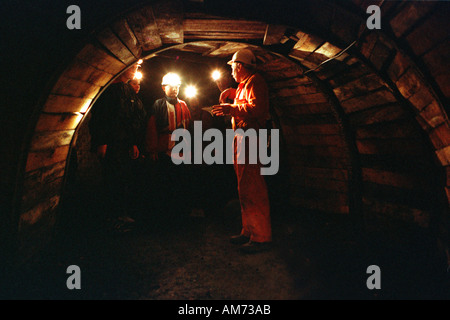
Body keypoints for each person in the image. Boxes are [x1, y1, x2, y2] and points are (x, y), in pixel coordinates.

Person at [212, 48, 272, 253]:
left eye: (232, 68)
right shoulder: (244, 85)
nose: (231, 72)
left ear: (239, 66)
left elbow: (258, 109)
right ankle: (249, 230)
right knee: (244, 187)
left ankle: (261, 237)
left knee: (253, 187)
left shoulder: (256, 81)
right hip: (242, 138)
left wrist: (232, 108)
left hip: (251, 138)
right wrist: (233, 94)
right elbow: (247, 103)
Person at [89, 64, 147, 233]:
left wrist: (133, 143)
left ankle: (120, 215)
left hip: (124, 144)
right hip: (112, 143)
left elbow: (132, 118)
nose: (135, 69)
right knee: (111, 179)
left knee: (122, 179)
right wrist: (101, 142)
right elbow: (101, 116)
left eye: (137, 66)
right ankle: (110, 219)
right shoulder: (109, 89)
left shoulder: (126, 90)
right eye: (133, 66)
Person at [145, 73, 193, 217]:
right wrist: (152, 150)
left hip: (181, 151)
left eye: (177, 86)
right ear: (164, 88)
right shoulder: (159, 104)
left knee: (180, 183)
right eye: (171, 86)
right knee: (164, 183)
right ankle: (164, 214)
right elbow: (152, 128)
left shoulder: (183, 105)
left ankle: (180, 213)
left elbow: (188, 127)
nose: (175, 89)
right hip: (164, 150)